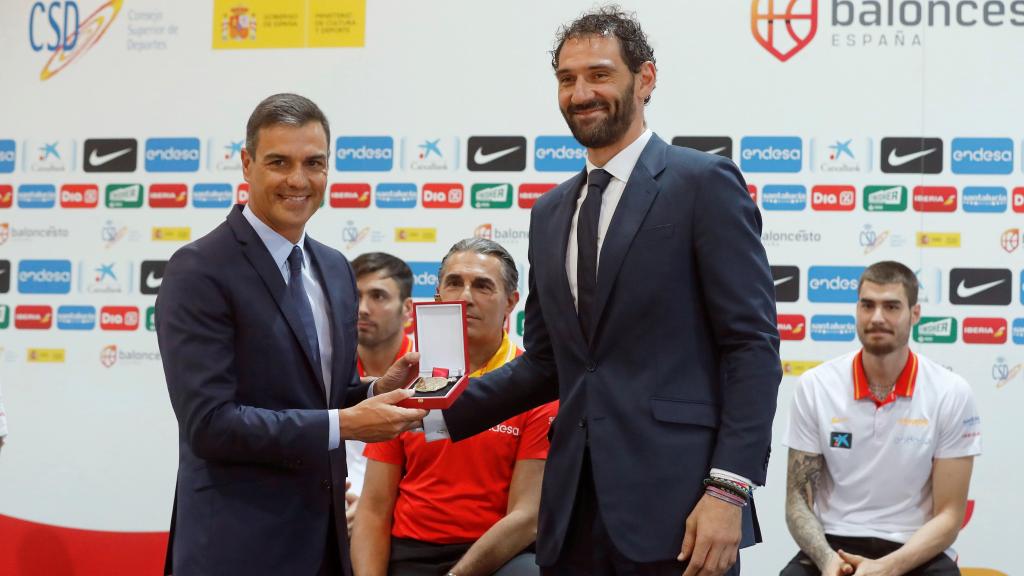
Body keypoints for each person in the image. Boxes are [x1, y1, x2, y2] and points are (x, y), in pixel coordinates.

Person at [436, 7, 781, 576]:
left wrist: (729, 490)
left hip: (682, 511)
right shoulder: (549, 213)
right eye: (567, 79)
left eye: (599, 75)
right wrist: (433, 413)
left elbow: (751, 348)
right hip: (572, 513)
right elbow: (547, 362)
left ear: (645, 79)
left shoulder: (703, 183)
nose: (581, 94)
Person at [156, 93, 426, 576]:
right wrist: (345, 424)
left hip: (324, 543)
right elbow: (210, 424)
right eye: (279, 162)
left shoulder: (335, 268)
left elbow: (322, 396)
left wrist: (373, 391)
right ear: (247, 164)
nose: (298, 180)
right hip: (238, 547)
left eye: (313, 163)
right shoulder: (199, 270)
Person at [352, 238, 556, 576]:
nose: (465, 297)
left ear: (511, 303)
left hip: (496, 558)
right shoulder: (408, 380)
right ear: (437, 297)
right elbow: (373, 508)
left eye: (483, 286)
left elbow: (526, 517)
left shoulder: (536, 387)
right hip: (409, 553)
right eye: (454, 283)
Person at [782, 261, 981, 576]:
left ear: (914, 314)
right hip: (834, 544)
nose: (877, 317)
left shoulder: (951, 392)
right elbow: (797, 501)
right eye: (867, 305)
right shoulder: (816, 386)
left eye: (891, 306)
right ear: (857, 310)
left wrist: (886, 568)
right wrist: (828, 561)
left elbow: (950, 515)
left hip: (915, 547)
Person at [345, 252, 415, 533]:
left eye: (378, 296)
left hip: (400, 520)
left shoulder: (432, 373)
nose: (362, 309)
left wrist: (369, 508)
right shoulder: (325, 369)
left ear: (407, 309)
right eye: (355, 296)